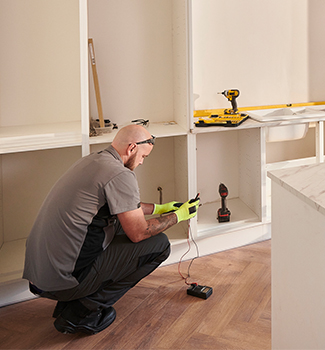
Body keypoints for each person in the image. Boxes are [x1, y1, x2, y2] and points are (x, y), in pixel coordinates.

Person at [23, 124, 199, 335]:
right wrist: (178, 216)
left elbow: (123, 205)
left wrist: (161, 208)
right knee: (159, 245)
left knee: (117, 225)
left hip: (40, 275)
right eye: (144, 156)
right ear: (132, 148)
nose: (142, 162)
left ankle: (71, 301)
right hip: (61, 282)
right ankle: (81, 312)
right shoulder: (120, 174)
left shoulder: (94, 161)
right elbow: (138, 233)